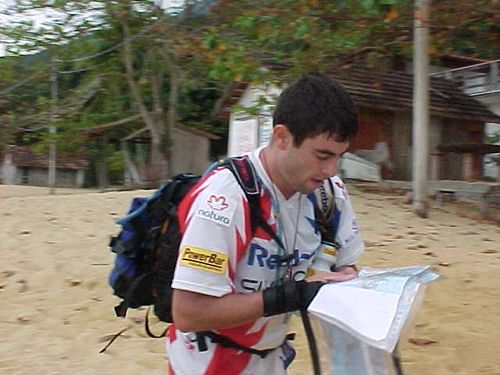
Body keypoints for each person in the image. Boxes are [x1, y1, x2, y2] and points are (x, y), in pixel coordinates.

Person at [166, 73, 365, 374]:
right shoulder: (227, 199)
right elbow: (188, 312)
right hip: (210, 361)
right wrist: (292, 295)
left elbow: (345, 267)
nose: (330, 170)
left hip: (271, 358)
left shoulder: (329, 194)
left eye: (339, 157)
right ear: (282, 137)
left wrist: (346, 280)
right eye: (322, 155)